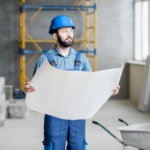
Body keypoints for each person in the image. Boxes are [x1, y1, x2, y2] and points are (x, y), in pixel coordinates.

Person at [23, 15, 120, 150]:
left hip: (77, 114)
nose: (69, 34)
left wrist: (109, 89)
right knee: (53, 147)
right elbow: (36, 90)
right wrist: (29, 90)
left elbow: (92, 85)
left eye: (71, 30)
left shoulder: (81, 59)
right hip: (54, 115)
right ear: (55, 36)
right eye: (64, 31)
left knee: (78, 147)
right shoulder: (45, 60)